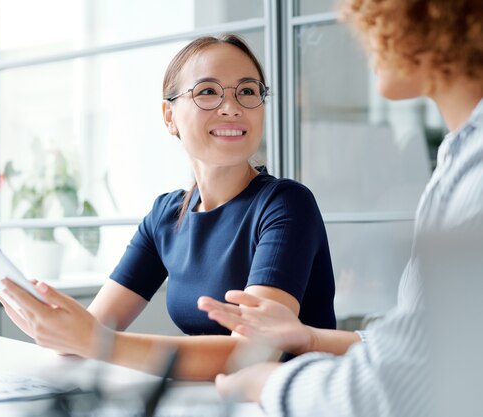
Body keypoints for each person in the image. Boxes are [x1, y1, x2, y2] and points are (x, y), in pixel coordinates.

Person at [198, 0, 483, 415]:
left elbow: (405, 386)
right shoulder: (457, 159)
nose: (364, 38)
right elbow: (435, 344)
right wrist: (311, 339)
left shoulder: (475, 176)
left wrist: (273, 383)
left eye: (373, 18)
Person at [0, 34, 336, 381]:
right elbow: (92, 329)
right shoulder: (166, 215)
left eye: (248, 91)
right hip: (210, 402)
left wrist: (95, 340)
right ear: (169, 115)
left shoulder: (285, 205)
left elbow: (248, 355)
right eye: (208, 91)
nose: (232, 106)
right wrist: (49, 322)